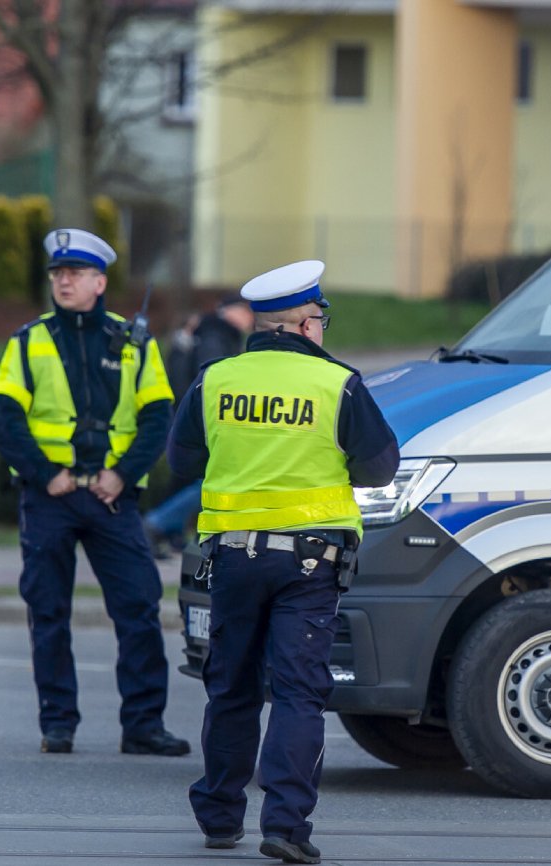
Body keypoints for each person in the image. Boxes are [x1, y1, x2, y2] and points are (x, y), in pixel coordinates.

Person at [168, 260, 398, 864]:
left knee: (232, 687)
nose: (323, 327)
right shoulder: (338, 384)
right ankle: (286, 827)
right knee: (298, 693)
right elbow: (379, 468)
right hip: (308, 564)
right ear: (304, 323)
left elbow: (182, 459)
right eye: (321, 317)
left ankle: (220, 817)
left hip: (234, 559)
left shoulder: (215, 379)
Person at [0, 228, 190, 758]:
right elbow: (5, 421)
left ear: (100, 282)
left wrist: (121, 474)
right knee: (48, 611)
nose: (64, 281)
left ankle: (143, 725)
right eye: (58, 274)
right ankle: (58, 723)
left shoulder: (134, 342)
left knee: (139, 606)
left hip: (111, 498)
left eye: (74, 274)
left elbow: (157, 418)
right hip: (49, 497)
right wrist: (42, 471)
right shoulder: (27, 341)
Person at [144, 297, 254, 559]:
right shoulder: (217, 334)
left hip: (188, 415)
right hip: (204, 419)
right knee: (207, 481)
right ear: (232, 311)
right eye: (247, 312)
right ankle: (155, 524)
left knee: (189, 478)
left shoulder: (205, 331)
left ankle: (169, 532)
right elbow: (214, 381)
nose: (250, 319)